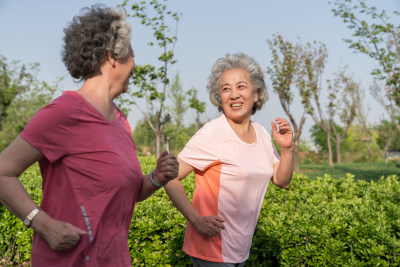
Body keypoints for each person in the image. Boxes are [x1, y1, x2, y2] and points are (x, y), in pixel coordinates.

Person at [0, 5, 178, 267]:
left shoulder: (120, 121)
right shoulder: (65, 112)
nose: (135, 64)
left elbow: (125, 193)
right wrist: (42, 223)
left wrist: (157, 177)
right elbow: (3, 172)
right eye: (132, 54)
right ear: (112, 56)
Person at [164, 53, 294, 266]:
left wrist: (287, 148)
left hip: (240, 248)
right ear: (219, 97)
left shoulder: (261, 134)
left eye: (241, 87)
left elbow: (283, 181)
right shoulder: (212, 133)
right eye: (226, 89)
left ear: (256, 94)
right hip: (211, 248)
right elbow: (168, 177)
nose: (233, 95)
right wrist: (195, 219)